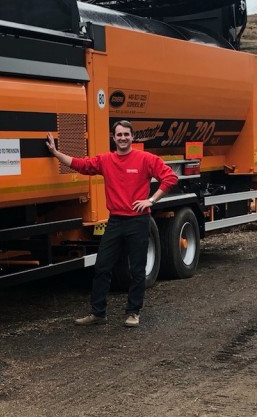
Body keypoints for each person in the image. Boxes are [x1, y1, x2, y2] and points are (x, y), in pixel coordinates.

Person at [46, 120, 178, 327]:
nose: (123, 138)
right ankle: (98, 314)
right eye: (119, 135)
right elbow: (81, 164)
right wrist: (56, 153)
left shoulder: (145, 159)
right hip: (115, 221)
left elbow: (170, 178)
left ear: (132, 137)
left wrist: (151, 200)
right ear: (113, 138)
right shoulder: (106, 160)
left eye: (126, 134)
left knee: (137, 269)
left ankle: (133, 312)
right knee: (102, 267)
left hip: (138, 220)